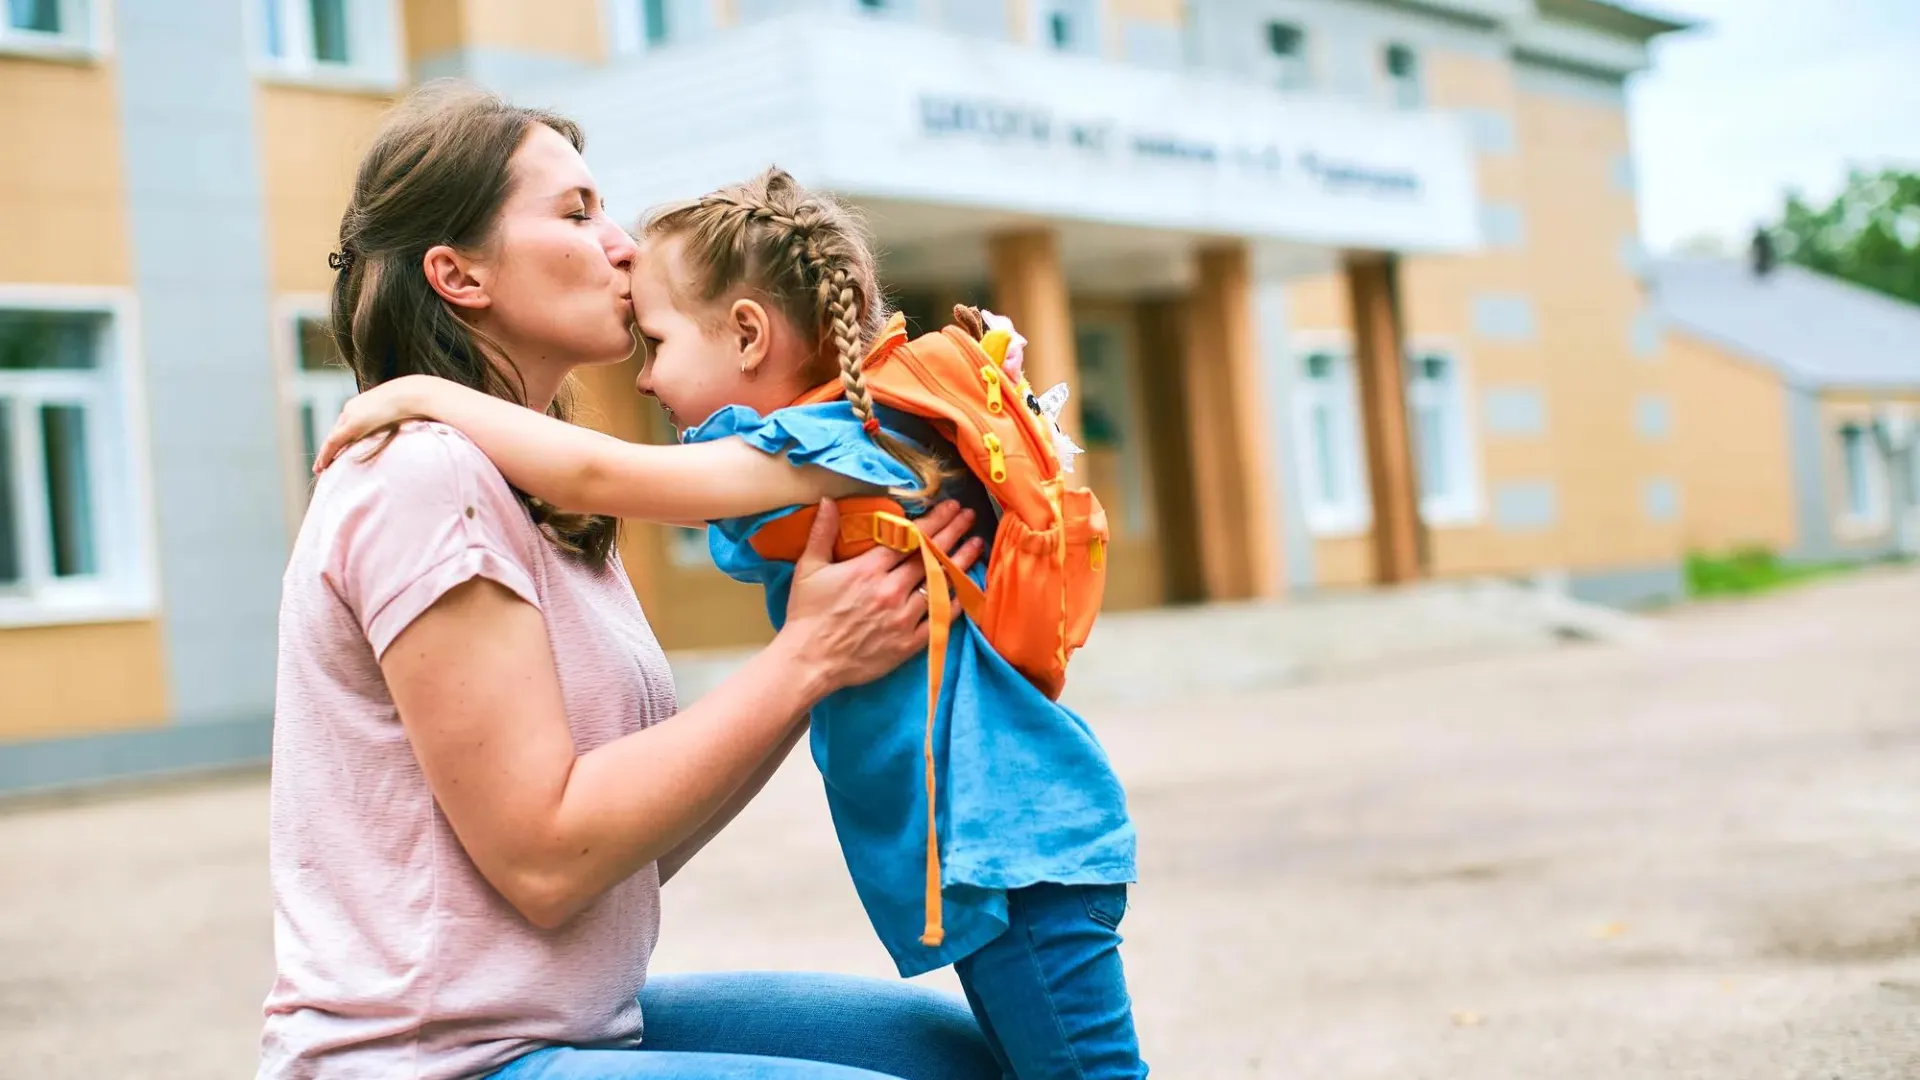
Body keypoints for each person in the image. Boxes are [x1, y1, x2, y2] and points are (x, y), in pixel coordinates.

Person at [314, 168, 1146, 1079]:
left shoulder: (821, 449)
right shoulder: (861, 447)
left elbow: (599, 474)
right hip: (1013, 846)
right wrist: (814, 652)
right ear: (454, 273)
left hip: (1014, 849)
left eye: (659, 342)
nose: (644, 367)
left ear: (747, 333)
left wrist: (424, 394)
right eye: (577, 210)